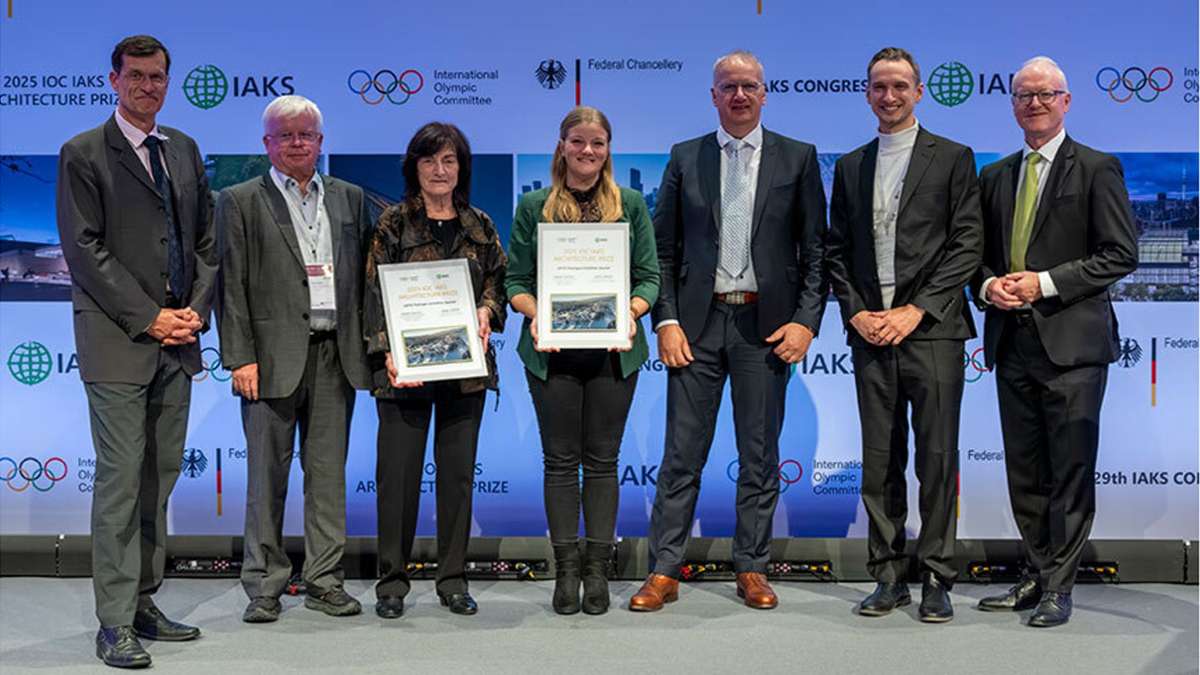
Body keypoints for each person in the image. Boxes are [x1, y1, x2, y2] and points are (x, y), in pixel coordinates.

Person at [632, 50, 826, 612]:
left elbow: (815, 252)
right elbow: (662, 253)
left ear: (765, 93)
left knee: (760, 454)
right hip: (695, 324)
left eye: (749, 86)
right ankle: (664, 570)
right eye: (727, 87)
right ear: (712, 96)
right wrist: (665, 320)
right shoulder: (685, 157)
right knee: (680, 455)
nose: (739, 96)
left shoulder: (798, 158)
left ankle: (753, 568)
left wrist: (806, 323)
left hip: (765, 327)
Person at [55, 35, 217, 668]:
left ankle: (145, 602)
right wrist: (151, 319)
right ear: (114, 80)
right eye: (137, 76)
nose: (148, 86)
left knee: (159, 481)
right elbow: (84, 251)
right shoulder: (83, 153)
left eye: (158, 77)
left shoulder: (184, 149)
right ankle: (114, 622)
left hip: (178, 342)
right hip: (120, 342)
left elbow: (206, 242)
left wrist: (193, 314)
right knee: (121, 484)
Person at [970, 56, 1137, 628]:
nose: (1034, 103)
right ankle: (1036, 574)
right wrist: (991, 285)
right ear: (1012, 104)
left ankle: (1059, 588)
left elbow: (1120, 253)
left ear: (1066, 101)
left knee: (1069, 471)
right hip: (1011, 343)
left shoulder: (1097, 167)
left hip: (1073, 348)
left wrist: (1042, 283)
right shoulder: (994, 176)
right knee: (1025, 471)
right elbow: (974, 261)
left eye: (1046, 94)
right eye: (1023, 95)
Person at [826, 47, 982, 622]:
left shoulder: (954, 158)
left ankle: (937, 577)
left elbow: (967, 243)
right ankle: (887, 576)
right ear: (867, 93)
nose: (888, 96)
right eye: (877, 87)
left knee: (937, 458)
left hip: (933, 331)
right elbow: (834, 250)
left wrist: (917, 310)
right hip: (870, 332)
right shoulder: (849, 165)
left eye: (898, 86)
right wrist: (856, 311)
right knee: (878, 460)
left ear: (918, 91)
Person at [216, 95, 372, 623]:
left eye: (307, 134)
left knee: (327, 475)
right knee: (266, 477)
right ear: (266, 144)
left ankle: (326, 580)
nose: (297, 142)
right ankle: (264, 585)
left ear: (322, 142)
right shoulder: (238, 201)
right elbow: (229, 286)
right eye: (285, 135)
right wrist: (238, 356)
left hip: (337, 355)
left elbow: (368, 282)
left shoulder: (350, 198)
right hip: (268, 359)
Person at [507, 106, 660, 616]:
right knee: (559, 462)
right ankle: (565, 573)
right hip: (552, 355)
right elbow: (516, 283)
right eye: (578, 142)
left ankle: (597, 571)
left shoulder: (631, 204)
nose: (587, 152)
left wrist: (633, 313)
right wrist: (535, 316)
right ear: (562, 146)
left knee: (602, 462)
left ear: (608, 149)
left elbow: (649, 278)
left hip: (614, 354)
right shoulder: (534, 206)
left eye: (597, 143)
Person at [364, 122, 507, 618]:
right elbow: (373, 294)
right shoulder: (392, 224)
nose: (439, 170)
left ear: (461, 167)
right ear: (414, 167)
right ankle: (391, 585)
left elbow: (498, 284)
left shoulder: (480, 225)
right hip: (404, 373)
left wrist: (488, 309)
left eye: (449, 161)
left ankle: (453, 580)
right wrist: (386, 350)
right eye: (429, 161)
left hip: (464, 374)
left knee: (457, 480)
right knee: (397, 481)